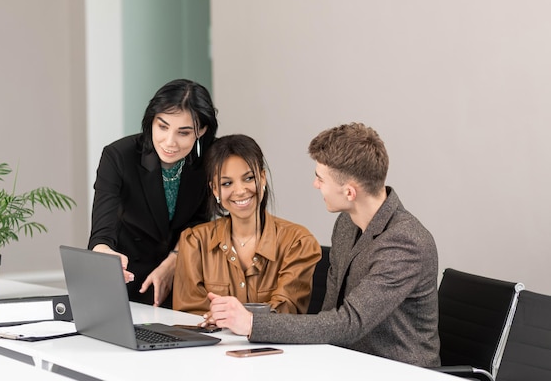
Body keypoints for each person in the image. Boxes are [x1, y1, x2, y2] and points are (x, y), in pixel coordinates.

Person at [202, 123, 440, 368]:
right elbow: (330, 314)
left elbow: (349, 323)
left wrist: (252, 323)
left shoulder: (405, 243)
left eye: (320, 178)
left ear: (349, 192)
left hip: (400, 371)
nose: (315, 185)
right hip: (346, 362)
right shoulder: (347, 225)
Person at [88, 79, 218, 307]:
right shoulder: (119, 156)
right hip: (127, 282)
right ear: (151, 121)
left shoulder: (210, 160)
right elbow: (102, 228)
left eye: (183, 133)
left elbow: (201, 223)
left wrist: (173, 261)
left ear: (202, 130)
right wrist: (104, 252)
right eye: (163, 126)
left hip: (185, 282)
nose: (170, 142)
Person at [173, 134, 321, 315]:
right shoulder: (195, 241)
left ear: (263, 178)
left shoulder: (298, 242)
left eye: (249, 178)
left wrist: (234, 318)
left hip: (273, 344)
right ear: (215, 189)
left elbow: (286, 311)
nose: (240, 191)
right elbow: (189, 314)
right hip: (211, 343)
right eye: (227, 183)